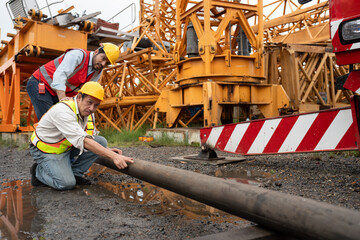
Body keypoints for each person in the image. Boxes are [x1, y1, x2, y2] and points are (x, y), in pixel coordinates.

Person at [29, 81, 134, 190]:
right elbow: (84, 141)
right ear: (79, 97)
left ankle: (75, 173)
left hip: (65, 147)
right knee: (66, 184)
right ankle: (38, 172)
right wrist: (114, 157)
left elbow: (89, 136)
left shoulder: (88, 113)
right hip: (45, 149)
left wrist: (107, 150)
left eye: (96, 105)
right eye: (89, 102)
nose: (92, 108)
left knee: (101, 141)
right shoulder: (63, 111)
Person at [26, 42, 120, 120]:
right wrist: (63, 100)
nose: (103, 64)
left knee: (62, 120)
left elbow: (87, 92)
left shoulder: (97, 71)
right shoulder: (78, 55)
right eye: (103, 58)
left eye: (107, 63)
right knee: (49, 120)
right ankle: (37, 142)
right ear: (96, 52)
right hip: (41, 83)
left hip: (56, 93)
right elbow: (60, 75)